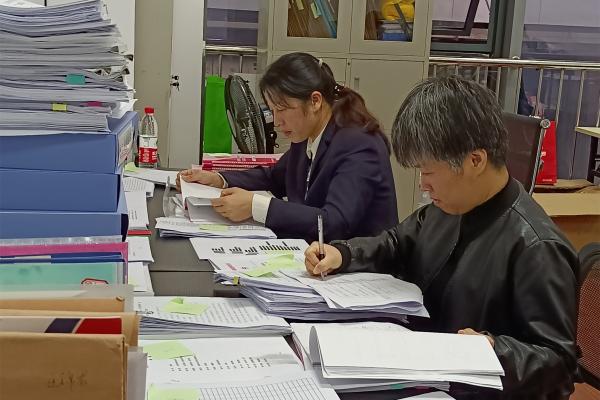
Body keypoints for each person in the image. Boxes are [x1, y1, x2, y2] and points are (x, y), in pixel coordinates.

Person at [305, 76, 578, 399]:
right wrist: (344, 254)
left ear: (475, 160)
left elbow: (559, 364)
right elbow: (397, 243)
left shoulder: (536, 246)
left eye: (429, 171)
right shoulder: (450, 207)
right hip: (421, 370)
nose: (423, 184)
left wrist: (493, 350)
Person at [178, 52, 398, 242]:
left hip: (356, 269)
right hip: (312, 257)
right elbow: (274, 177)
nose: (276, 121)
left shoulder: (359, 145)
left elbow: (335, 222)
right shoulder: (308, 134)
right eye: (272, 110)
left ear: (315, 101)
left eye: (282, 110)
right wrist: (218, 179)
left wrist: (257, 206)